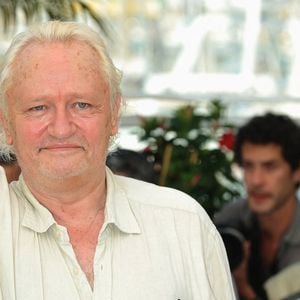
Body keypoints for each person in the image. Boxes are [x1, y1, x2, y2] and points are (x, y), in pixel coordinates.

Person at [0, 21, 235, 299]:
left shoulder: (183, 224)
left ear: (113, 116)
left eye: (82, 105)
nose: (61, 128)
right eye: (38, 107)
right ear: (6, 124)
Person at [214, 113, 300, 300]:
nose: (256, 180)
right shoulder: (228, 219)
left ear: (297, 171)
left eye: (270, 167)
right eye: (248, 166)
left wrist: (243, 288)